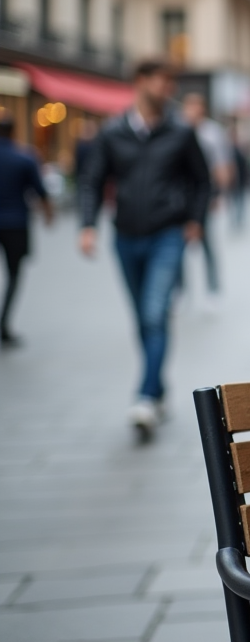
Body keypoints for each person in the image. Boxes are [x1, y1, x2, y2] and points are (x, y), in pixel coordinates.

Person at [78, 60, 210, 440]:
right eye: (162, 80)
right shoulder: (113, 131)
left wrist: (195, 219)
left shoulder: (182, 132)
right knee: (142, 318)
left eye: (172, 81)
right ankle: (160, 387)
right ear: (141, 82)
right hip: (125, 237)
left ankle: (146, 396)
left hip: (167, 233)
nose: (168, 87)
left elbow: (201, 181)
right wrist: (87, 225)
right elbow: (92, 180)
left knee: (154, 313)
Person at [0, 116, 54, 348]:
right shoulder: (24, 158)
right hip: (15, 224)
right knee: (14, 275)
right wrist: (49, 214)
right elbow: (40, 191)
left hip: (14, 221)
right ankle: (3, 324)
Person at [180, 92, 233, 298]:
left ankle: (213, 288)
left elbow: (221, 166)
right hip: (181, 197)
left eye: (197, 106)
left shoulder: (212, 132)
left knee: (207, 243)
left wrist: (218, 195)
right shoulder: (178, 130)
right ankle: (180, 290)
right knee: (178, 247)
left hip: (204, 194)